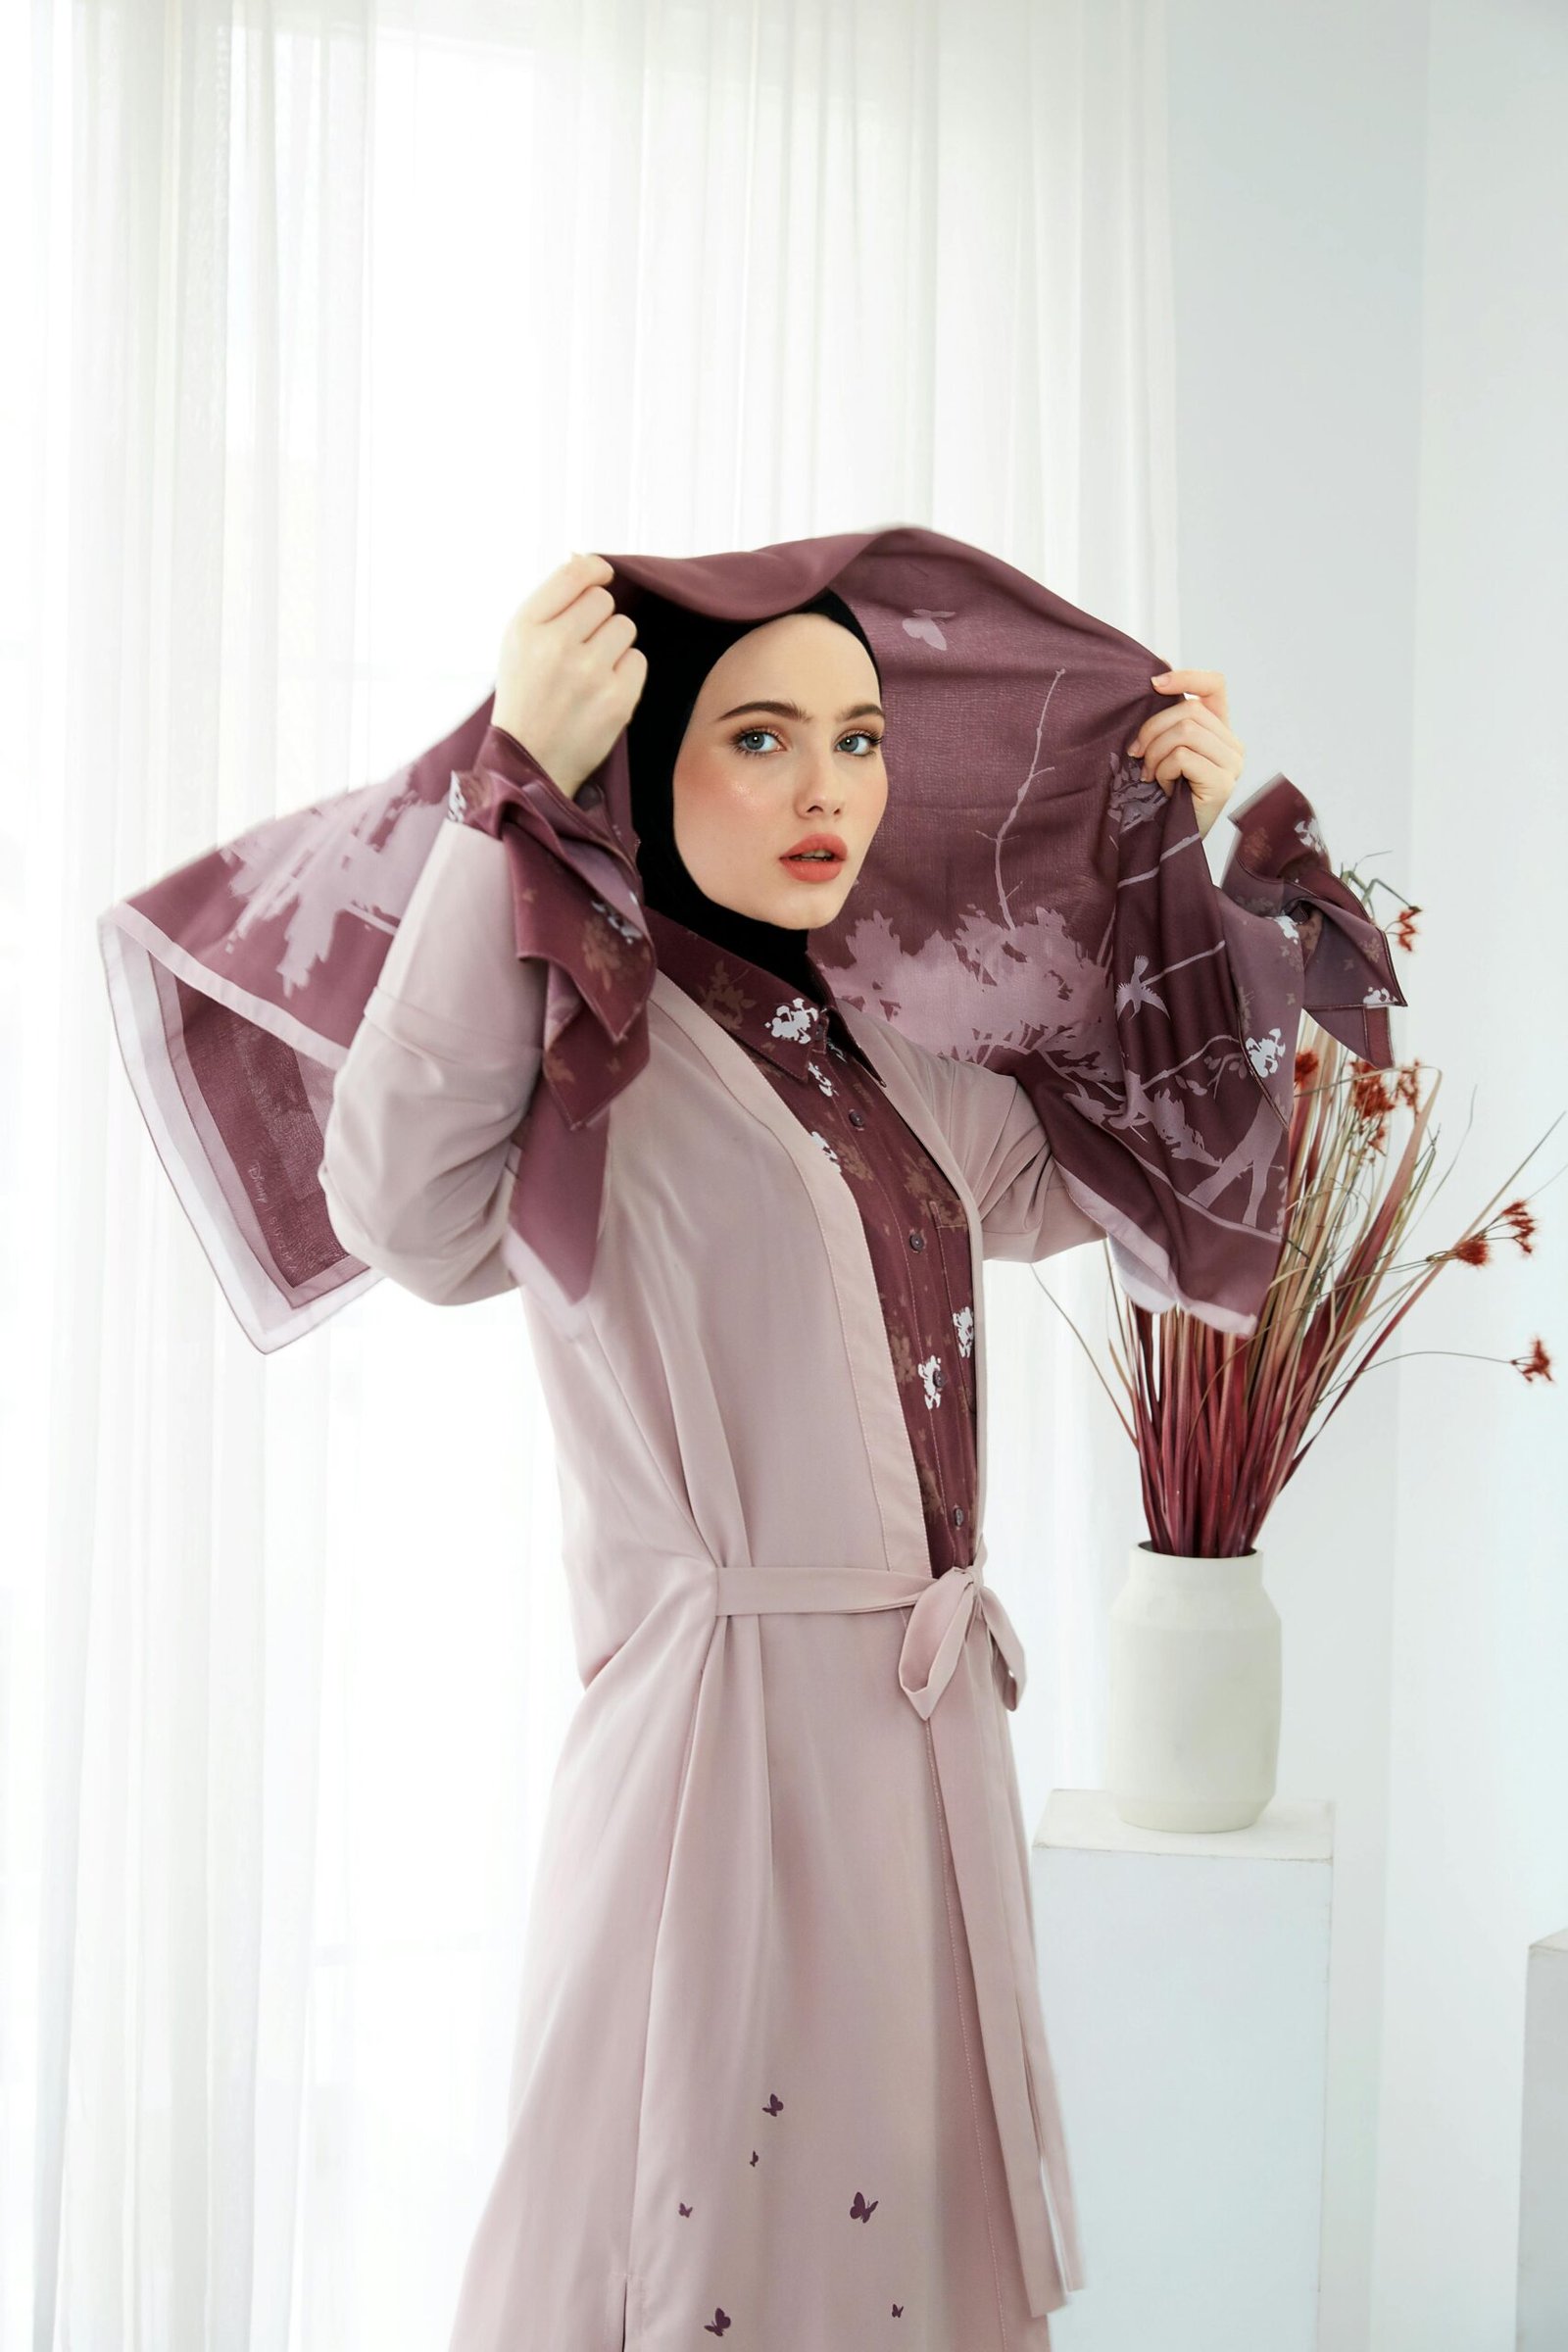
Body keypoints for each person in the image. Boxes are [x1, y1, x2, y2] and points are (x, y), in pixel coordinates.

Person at [317, 553, 1111, 2349]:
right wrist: (506, 780)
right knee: (679, 2221)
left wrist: (1200, 887)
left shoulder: (892, 1056)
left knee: (892, 2211)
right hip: (719, 1743)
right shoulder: (592, 1035)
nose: (830, 787)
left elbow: (1097, 1180)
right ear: (651, 761)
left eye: (858, 739)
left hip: (914, 1744)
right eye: (764, 737)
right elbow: (398, 1208)